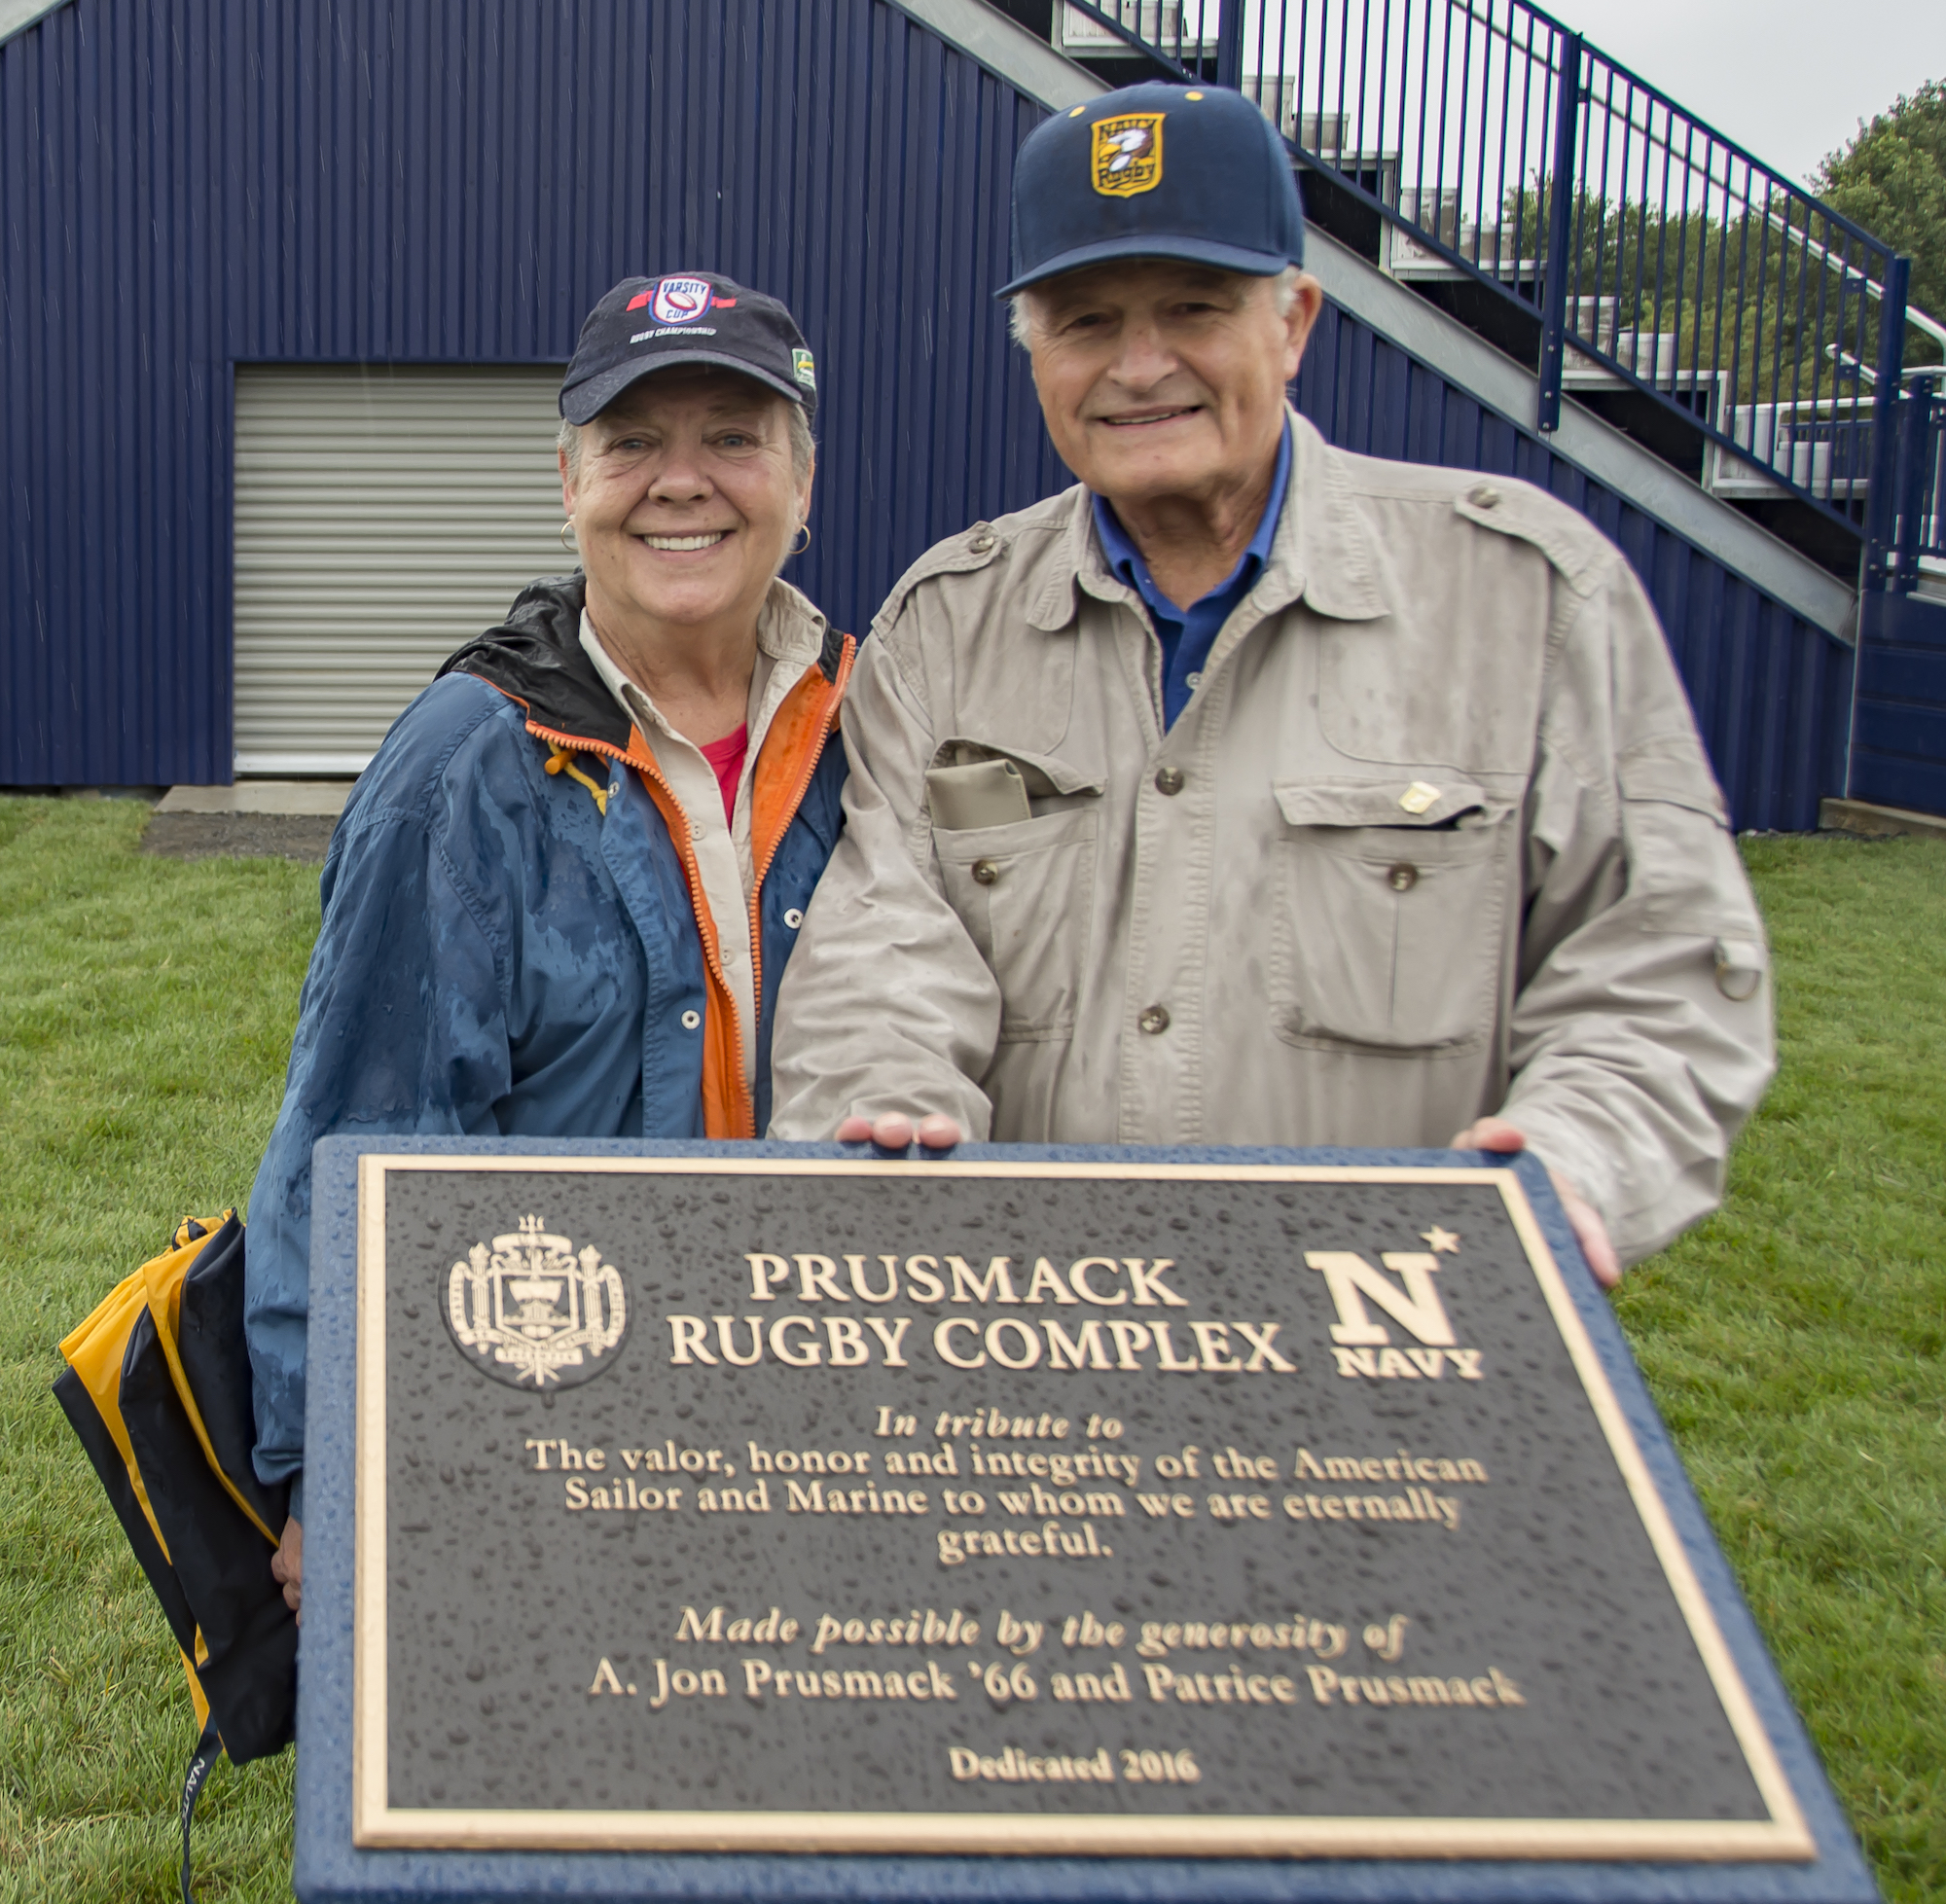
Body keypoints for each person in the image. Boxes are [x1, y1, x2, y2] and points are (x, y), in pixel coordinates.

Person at [769, 83, 1773, 1287]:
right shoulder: (946, 621)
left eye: (1192, 308)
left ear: (1292, 321)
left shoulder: (1526, 597)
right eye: (1085, 322)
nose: (1138, 367)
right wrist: (884, 1109)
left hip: (1389, 1344)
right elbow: (884, 935)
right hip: (1028, 1340)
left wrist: (1573, 1156)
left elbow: (1654, 960)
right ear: (1035, 354)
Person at [245, 272, 851, 1617]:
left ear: (804, 480)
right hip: (552, 1414)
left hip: (821, 1425)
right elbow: (358, 1134)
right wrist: (328, 1464)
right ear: (566, 476)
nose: (679, 482)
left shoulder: (880, 724)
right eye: (633, 441)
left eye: (732, 439)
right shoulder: (472, 758)